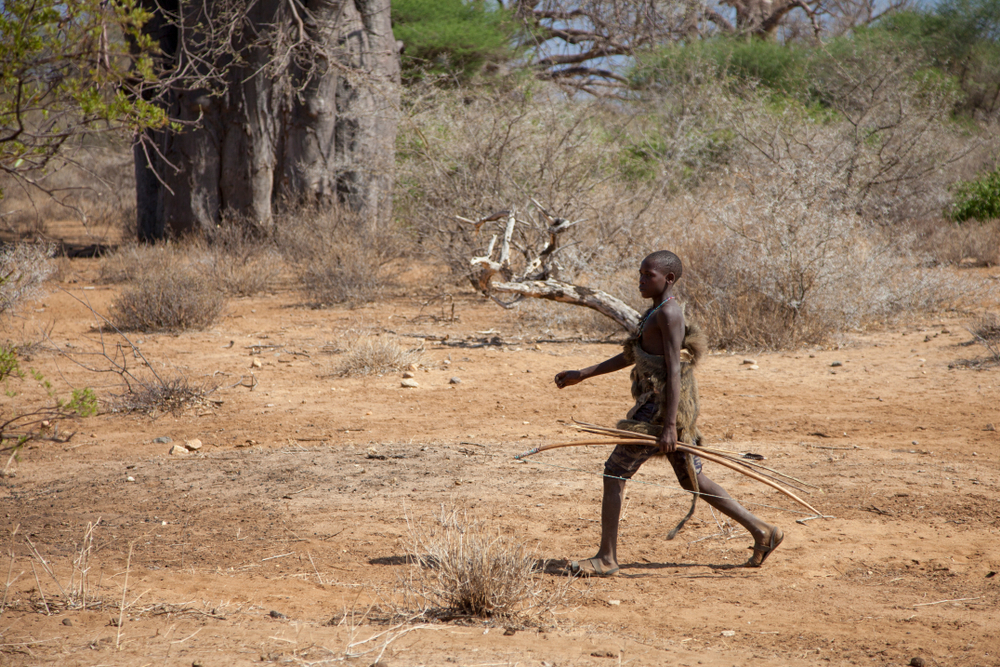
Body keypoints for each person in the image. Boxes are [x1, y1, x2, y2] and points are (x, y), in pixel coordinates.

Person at [554, 250, 783, 576]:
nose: (641, 280)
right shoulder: (655, 312)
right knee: (693, 478)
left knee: (614, 472)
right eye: (640, 274)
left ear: (669, 279)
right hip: (661, 406)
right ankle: (762, 531)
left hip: (660, 410)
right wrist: (583, 373)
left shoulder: (669, 314)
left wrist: (670, 426)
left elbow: (675, 371)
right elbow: (633, 355)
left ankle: (606, 558)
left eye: (649, 275)